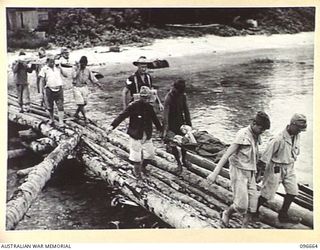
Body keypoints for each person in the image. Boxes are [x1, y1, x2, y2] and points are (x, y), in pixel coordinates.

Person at [206, 111, 271, 228]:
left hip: (250, 172)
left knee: (253, 205)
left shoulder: (256, 136)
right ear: (254, 124)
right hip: (239, 172)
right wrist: (214, 173)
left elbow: (254, 155)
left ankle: (244, 227)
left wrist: (258, 172)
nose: (262, 132)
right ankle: (227, 212)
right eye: (261, 129)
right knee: (241, 205)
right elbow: (227, 154)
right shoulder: (242, 134)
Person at [255, 113, 307, 224]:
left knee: (293, 191)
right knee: (267, 194)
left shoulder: (297, 136)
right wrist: (259, 174)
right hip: (275, 167)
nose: (299, 131)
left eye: (301, 130)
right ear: (292, 125)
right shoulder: (278, 139)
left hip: (290, 167)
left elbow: (294, 151)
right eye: (298, 129)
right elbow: (265, 157)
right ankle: (254, 211)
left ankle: (283, 214)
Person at [107, 86, 162, 179]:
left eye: (147, 98)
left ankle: (143, 167)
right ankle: (137, 175)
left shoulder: (149, 107)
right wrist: (112, 126)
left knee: (150, 155)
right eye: (144, 97)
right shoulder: (133, 106)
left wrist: (160, 129)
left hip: (146, 135)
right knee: (136, 158)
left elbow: (155, 119)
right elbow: (122, 116)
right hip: (135, 135)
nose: (146, 99)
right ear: (141, 97)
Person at [163, 79, 192, 173]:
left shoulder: (182, 96)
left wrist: (189, 125)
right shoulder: (169, 97)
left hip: (180, 122)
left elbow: (186, 111)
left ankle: (183, 160)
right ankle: (178, 162)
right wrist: (166, 130)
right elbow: (165, 115)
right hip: (171, 123)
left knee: (184, 143)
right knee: (173, 143)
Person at [38, 54, 68, 127]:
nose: (52, 63)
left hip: (59, 88)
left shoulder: (57, 67)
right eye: (50, 62)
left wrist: (60, 67)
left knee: (60, 105)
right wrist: (41, 92)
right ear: (47, 62)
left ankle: (61, 122)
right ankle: (52, 119)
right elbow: (41, 81)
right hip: (49, 89)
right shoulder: (44, 69)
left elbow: (66, 75)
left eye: (53, 61)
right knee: (50, 106)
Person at [72, 56, 102, 122]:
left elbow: (92, 78)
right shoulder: (75, 69)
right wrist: (79, 69)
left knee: (84, 103)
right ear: (80, 63)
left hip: (84, 87)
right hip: (76, 87)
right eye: (82, 64)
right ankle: (85, 117)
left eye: (85, 64)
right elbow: (74, 76)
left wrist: (98, 84)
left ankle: (76, 114)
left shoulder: (87, 70)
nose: (84, 66)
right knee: (81, 103)